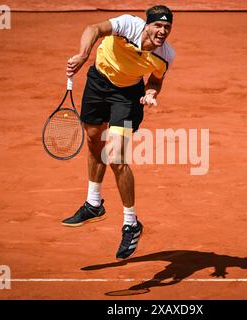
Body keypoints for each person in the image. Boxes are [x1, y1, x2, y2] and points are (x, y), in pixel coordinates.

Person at [62, 5, 175, 260]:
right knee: (93, 139)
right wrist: (82, 55)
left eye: (167, 27)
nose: (162, 31)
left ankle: (131, 223)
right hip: (97, 81)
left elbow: (156, 79)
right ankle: (93, 203)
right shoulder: (128, 25)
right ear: (148, 25)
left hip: (126, 97)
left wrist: (150, 93)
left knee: (115, 157)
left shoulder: (165, 55)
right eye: (158, 25)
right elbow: (94, 29)